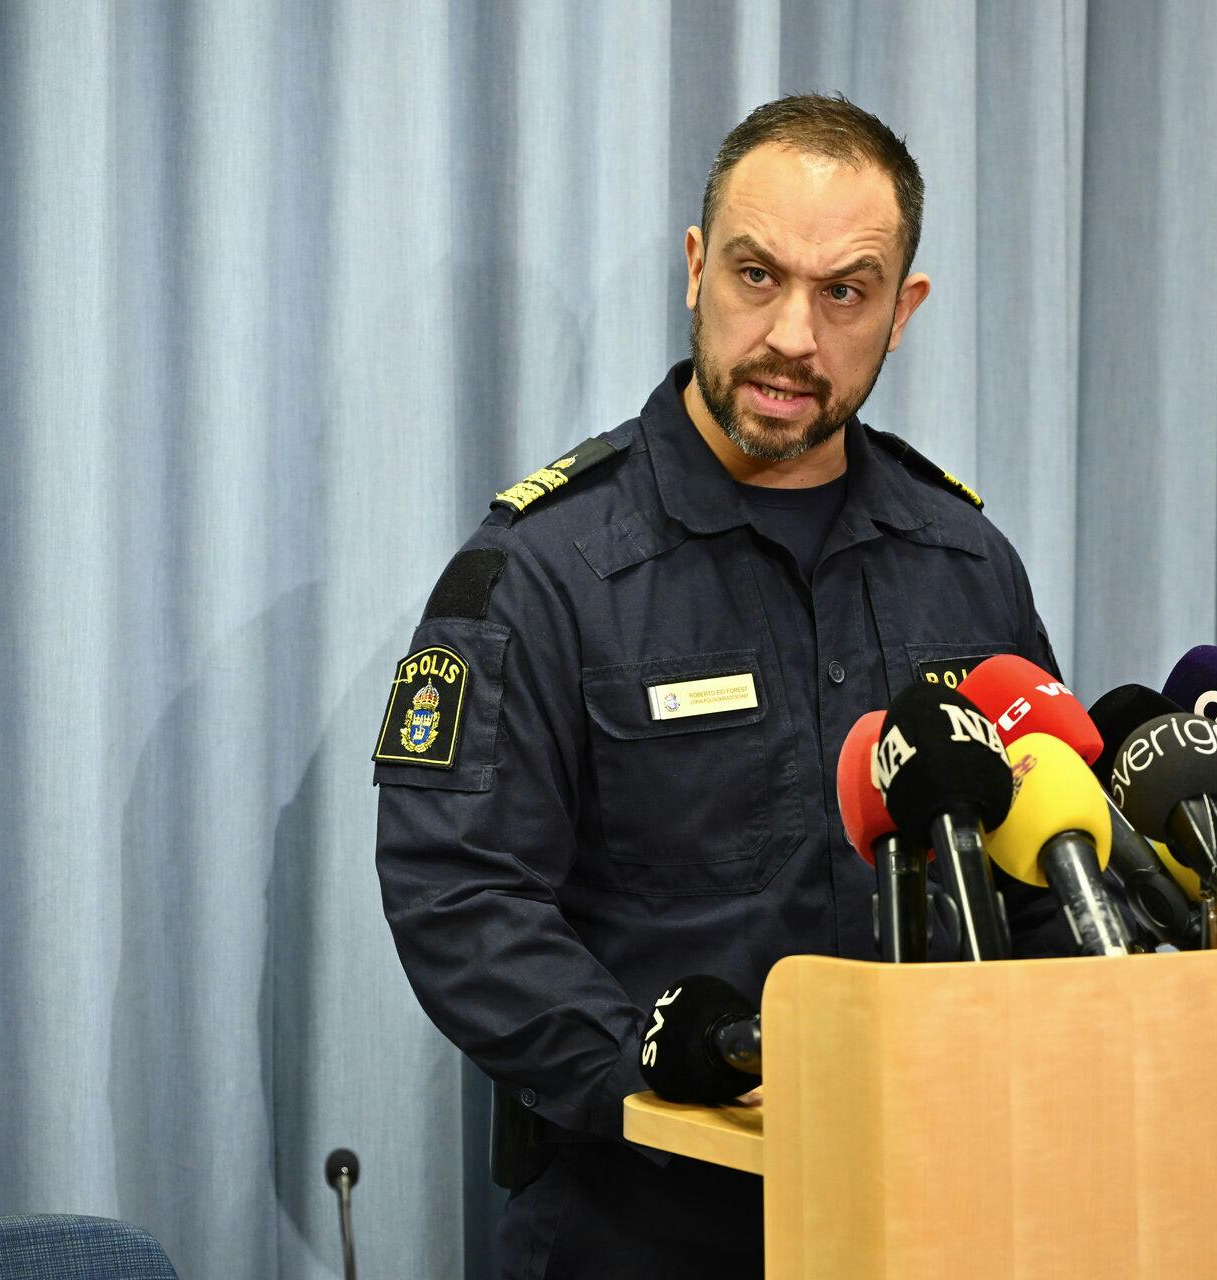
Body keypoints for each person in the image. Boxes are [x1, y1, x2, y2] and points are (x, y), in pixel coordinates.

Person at [373, 94, 1068, 1278]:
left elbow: (1047, 869)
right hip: (645, 1221)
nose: (793, 333)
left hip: (939, 1214)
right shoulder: (544, 571)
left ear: (903, 312)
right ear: (697, 269)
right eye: (757, 274)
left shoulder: (966, 565)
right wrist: (653, 1065)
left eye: (844, 291)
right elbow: (460, 895)